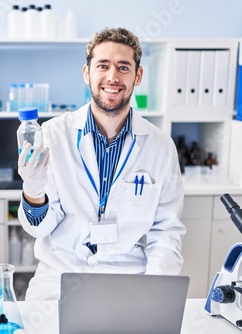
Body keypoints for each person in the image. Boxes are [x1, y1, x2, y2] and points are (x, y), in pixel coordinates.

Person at [17, 27, 186, 301]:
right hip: (61, 276)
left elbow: (165, 231)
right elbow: (40, 228)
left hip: (129, 280)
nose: (112, 77)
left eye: (123, 67)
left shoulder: (161, 147)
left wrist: (156, 292)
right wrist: (34, 192)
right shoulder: (51, 135)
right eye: (103, 65)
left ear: (137, 76)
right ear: (87, 73)